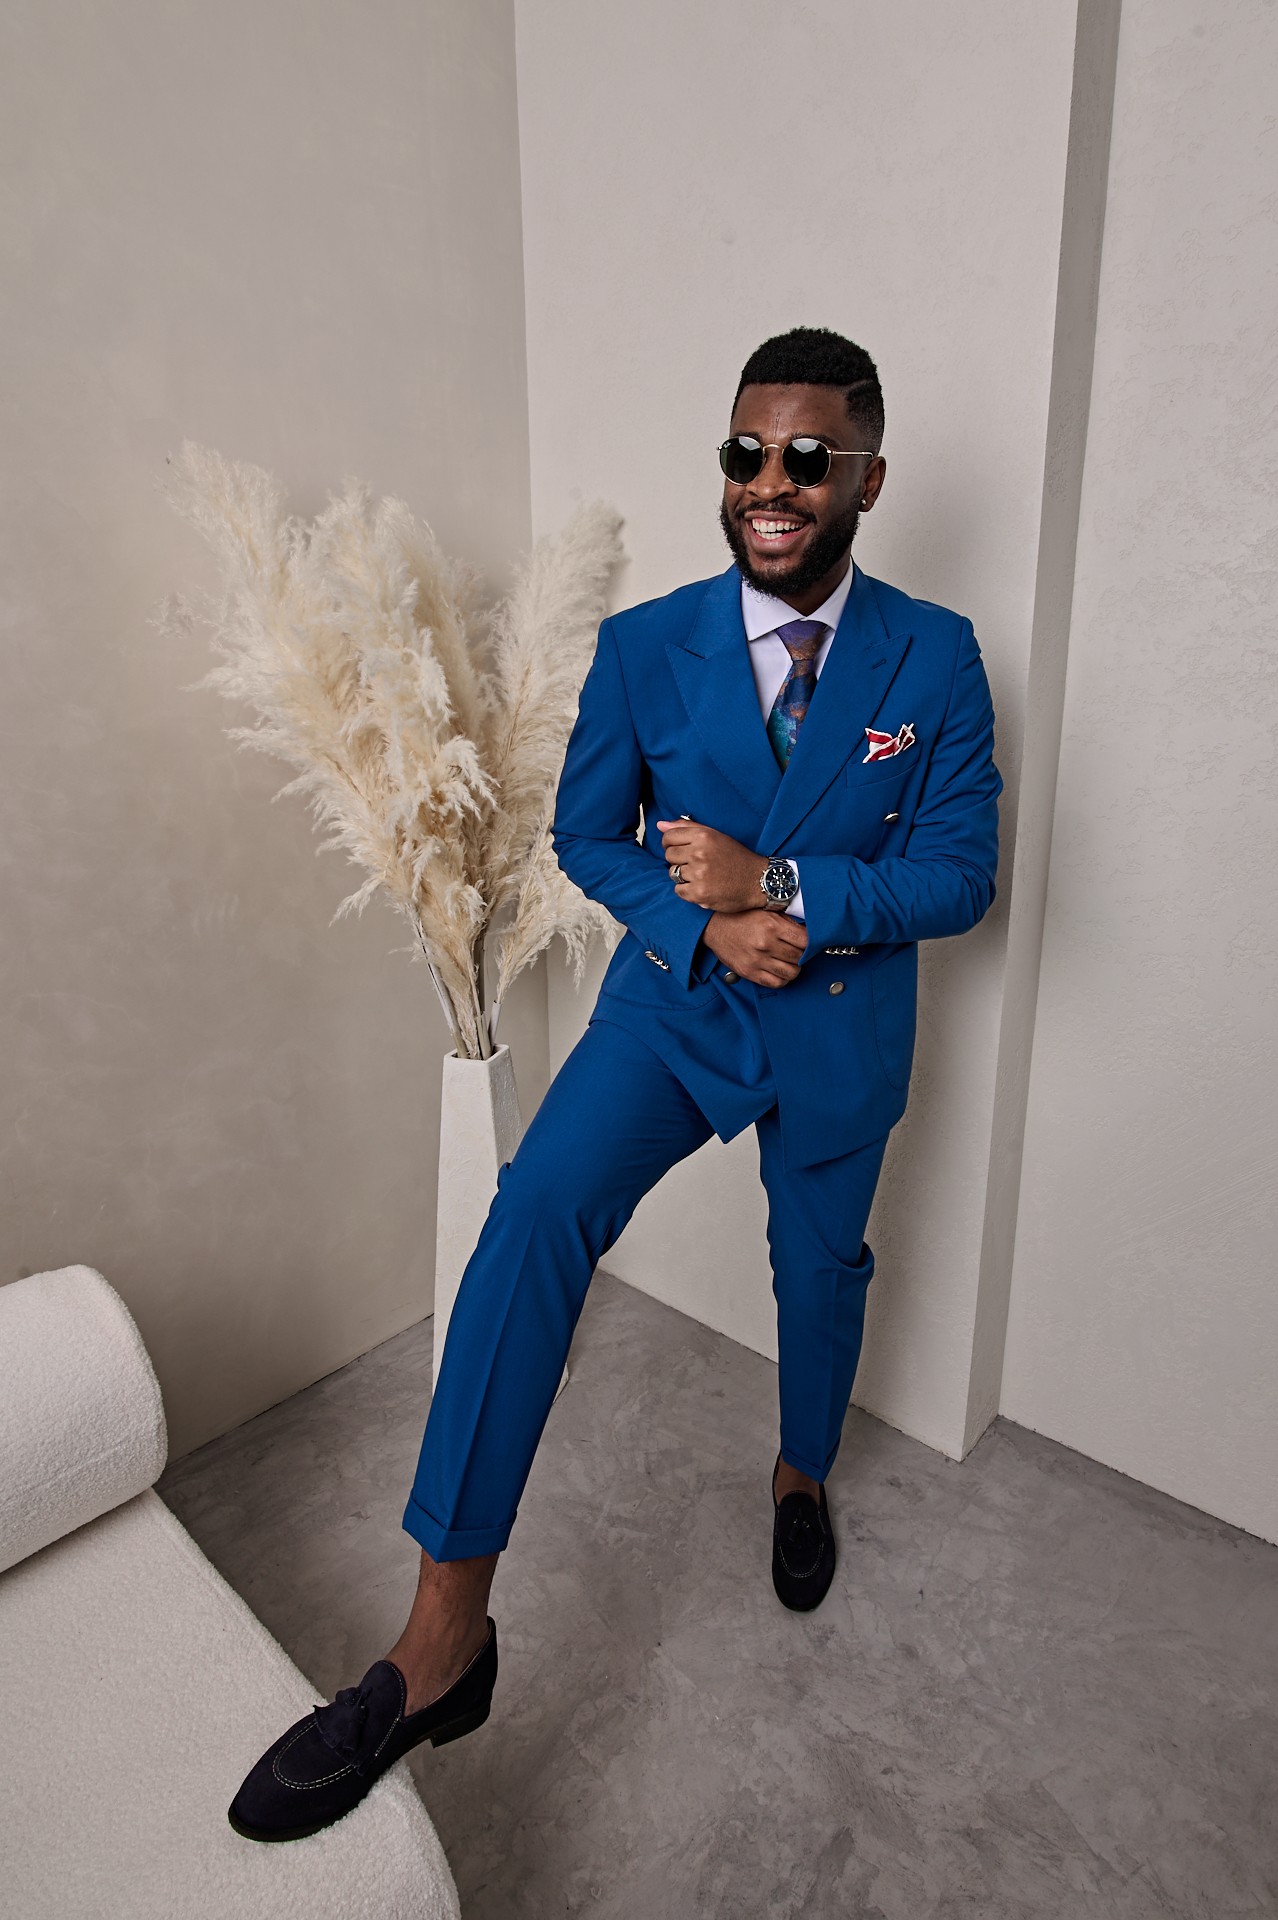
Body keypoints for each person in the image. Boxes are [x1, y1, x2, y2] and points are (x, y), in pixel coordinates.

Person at [228, 325, 1004, 1842]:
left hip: (839, 1026)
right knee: (531, 1220)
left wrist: (782, 881)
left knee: (819, 1263)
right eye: (741, 453)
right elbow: (589, 842)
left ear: (865, 475)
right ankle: (443, 1631)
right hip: (676, 1010)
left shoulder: (937, 652)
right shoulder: (648, 643)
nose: (766, 486)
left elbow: (959, 873)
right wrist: (706, 921)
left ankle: (796, 1475)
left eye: (803, 458)